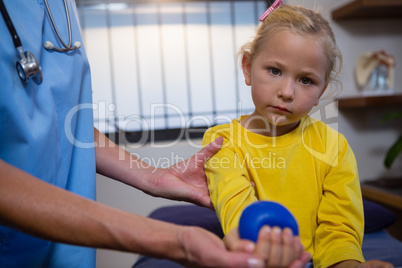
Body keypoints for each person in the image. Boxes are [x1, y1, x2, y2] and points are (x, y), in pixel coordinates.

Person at [0, 0, 266, 267]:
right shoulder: (227, 138)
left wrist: (155, 177)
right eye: (274, 71)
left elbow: (64, 121)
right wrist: (175, 240)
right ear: (248, 67)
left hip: (65, 246)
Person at [202, 3, 394, 268]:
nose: (287, 92)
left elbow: (339, 226)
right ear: (247, 68)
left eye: (306, 80)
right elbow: (235, 205)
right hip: (256, 256)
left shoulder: (333, 146)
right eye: (275, 71)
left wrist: (346, 263)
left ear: (321, 92)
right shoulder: (222, 141)